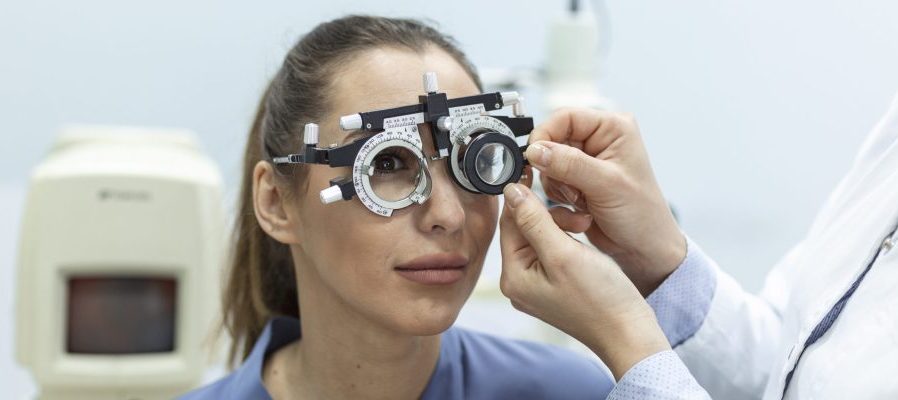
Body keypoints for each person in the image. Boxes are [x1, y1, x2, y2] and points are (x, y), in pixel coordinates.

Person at [181, 15, 614, 399]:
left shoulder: (574, 392)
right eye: (386, 162)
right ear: (276, 203)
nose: (449, 215)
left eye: (472, 160)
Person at [498, 49, 898, 399]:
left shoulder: (563, 385)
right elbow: (795, 366)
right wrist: (659, 261)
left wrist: (627, 342)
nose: (447, 217)